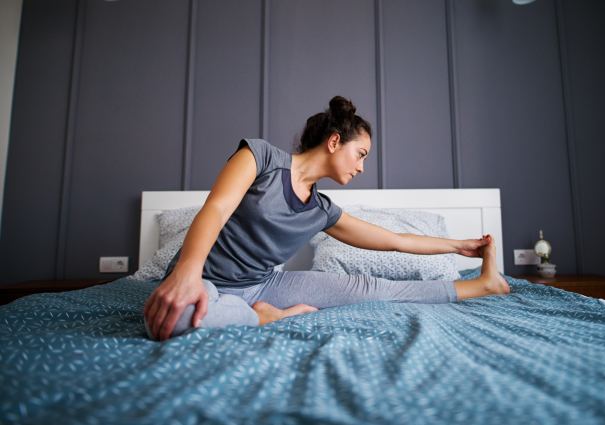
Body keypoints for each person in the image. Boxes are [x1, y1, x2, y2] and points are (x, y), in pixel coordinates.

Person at [143, 96, 510, 341]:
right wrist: (186, 275)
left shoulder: (321, 210)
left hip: (264, 286)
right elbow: (216, 208)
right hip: (204, 279)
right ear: (335, 142)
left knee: (372, 288)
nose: (363, 167)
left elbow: (396, 240)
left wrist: (459, 245)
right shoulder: (261, 158)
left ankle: (483, 285)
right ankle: (265, 318)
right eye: (360, 154)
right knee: (170, 319)